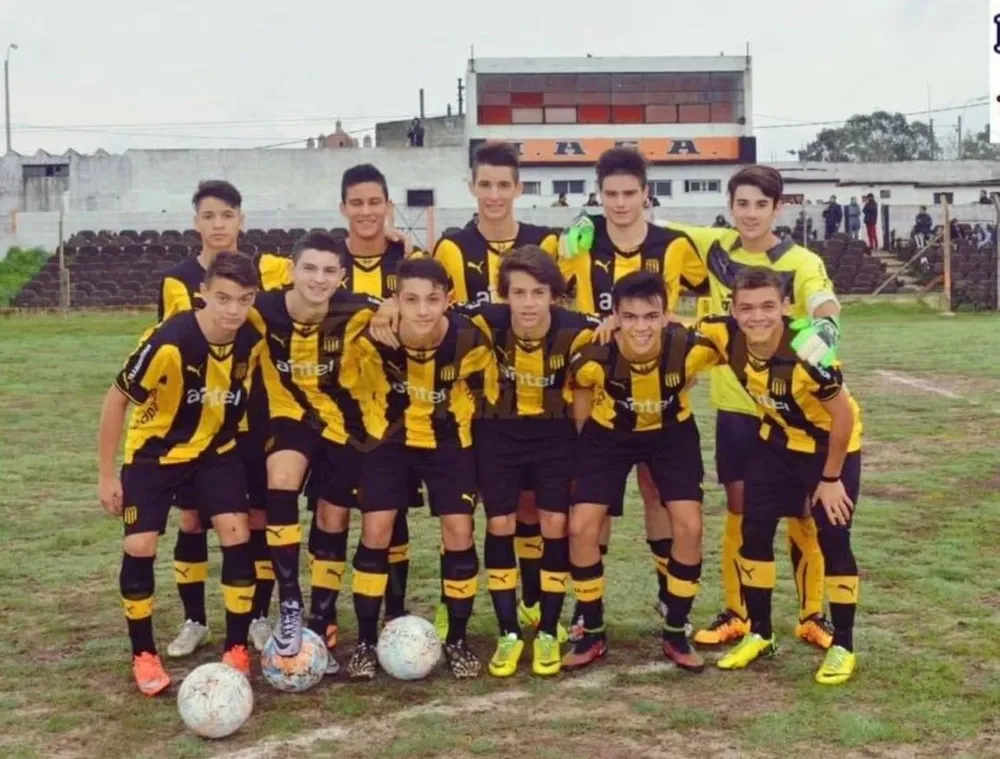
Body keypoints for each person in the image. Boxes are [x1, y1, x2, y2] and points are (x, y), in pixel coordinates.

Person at [646, 165, 842, 651]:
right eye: (742, 204)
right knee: (739, 508)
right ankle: (738, 612)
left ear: (778, 208)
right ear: (729, 206)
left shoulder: (800, 260)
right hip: (736, 407)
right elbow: (642, 228)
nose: (750, 214)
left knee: (801, 510)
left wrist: (826, 329)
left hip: (792, 412)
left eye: (761, 204)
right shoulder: (713, 246)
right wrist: (577, 234)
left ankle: (812, 615)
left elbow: (823, 301)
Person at [97, 252, 265, 695]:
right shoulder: (169, 341)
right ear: (203, 294)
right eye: (224, 298)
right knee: (140, 543)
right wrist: (107, 476)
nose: (233, 310)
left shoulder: (251, 336)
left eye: (244, 299)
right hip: (155, 454)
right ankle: (143, 653)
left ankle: (235, 647)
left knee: (236, 531)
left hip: (215, 452)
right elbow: (116, 400)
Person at [557, 147, 703, 639]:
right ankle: (588, 610)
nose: (620, 203)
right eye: (610, 194)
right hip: (601, 386)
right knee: (597, 504)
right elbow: (559, 301)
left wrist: (683, 327)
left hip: (660, 391)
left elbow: (712, 292)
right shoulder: (580, 240)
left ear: (647, 193)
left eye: (629, 194)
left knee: (656, 490)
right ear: (598, 194)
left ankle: (669, 594)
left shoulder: (676, 244)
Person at [693, 267, 862, 685]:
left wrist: (831, 478)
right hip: (776, 441)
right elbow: (670, 327)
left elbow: (844, 416)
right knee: (753, 531)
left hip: (829, 450)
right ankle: (760, 633)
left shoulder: (809, 350)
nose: (757, 317)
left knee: (834, 536)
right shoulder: (723, 332)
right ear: (732, 310)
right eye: (746, 308)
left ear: (786, 307)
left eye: (768, 306)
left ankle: (843, 644)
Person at [428, 141, 561, 640]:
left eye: (504, 185)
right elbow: (440, 314)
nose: (494, 195)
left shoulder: (547, 243)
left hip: (538, 405)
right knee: (464, 510)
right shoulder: (452, 248)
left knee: (527, 508)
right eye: (485, 184)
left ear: (519, 188)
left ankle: (529, 600)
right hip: (474, 405)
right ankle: (450, 601)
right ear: (472, 187)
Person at [340, 257, 497, 680]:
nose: (423, 310)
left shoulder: (470, 340)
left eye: (432, 299)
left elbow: (485, 401)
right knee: (376, 531)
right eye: (411, 299)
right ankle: (368, 642)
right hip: (388, 440)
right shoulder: (373, 338)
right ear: (396, 301)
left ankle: (458, 641)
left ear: (449, 299)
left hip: (447, 442)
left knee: (459, 531)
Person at [157, 180, 292, 659]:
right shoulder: (177, 281)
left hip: (254, 418)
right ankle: (194, 619)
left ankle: (256, 615)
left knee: (255, 520)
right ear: (196, 221)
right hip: (196, 424)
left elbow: (324, 278)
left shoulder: (271, 270)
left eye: (227, 215)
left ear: (241, 220)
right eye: (209, 216)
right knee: (193, 520)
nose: (218, 224)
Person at [455, 246, 598, 677]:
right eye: (519, 293)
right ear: (505, 295)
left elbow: (614, 328)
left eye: (539, 292)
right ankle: (508, 633)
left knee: (554, 524)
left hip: (554, 435)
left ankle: (549, 630)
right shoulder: (484, 321)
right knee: (500, 524)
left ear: (554, 294)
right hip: (498, 433)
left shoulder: (578, 330)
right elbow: (436, 312)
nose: (529, 303)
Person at [563, 271, 707, 672]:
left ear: (665, 316)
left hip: (672, 435)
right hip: (607, 436)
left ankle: (676, 629)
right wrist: (583, 451)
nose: (641, 326)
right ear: (616, 316)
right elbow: (578, 388)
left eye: (651, 316)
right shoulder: (595, 353)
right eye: (630, 316)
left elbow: (741, 336)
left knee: (690, 526)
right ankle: (591, 629)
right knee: (581, 527)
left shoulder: (691, 346)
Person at [251, 231, 381, 666]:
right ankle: (290, 603)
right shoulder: (261, 308)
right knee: (281, 480)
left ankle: (323, 613)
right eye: (309, 268)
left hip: (341, 423)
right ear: (291, 270)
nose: (318, 279)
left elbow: (400, 311)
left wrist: (395, 309)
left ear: (341, 276)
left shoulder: (357, 309)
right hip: (288, 416)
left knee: (333, 514)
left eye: (329, 271)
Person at [330, 163, 424, 637]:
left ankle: (394, 611)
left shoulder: (410, 262)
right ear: (343, 207)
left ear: (389, 206)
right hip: (334, 409)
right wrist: (377, 307)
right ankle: (323, 616)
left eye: (375, 202)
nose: (367, 212)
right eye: (357, 203)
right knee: (332, 511)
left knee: (392, 509)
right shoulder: (325, 259)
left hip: (397, 410)